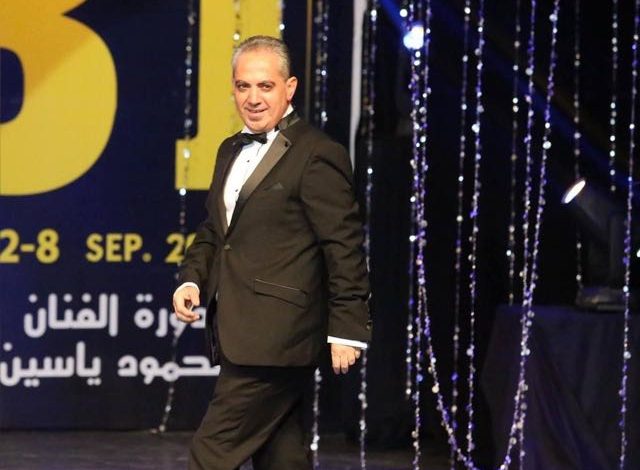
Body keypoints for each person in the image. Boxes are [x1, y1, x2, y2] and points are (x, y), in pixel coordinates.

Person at [172, 35, 371, 470]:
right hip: (241, 329)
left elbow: (344, 245)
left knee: (211, 454)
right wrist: (191, 279)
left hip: (279, 337)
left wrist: (347, 327)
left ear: (289, 87)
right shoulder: (229, 149)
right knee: (282, 455)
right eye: (243, 86)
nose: (253, 98)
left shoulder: (318, 154)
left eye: (265, 86)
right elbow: (216, 231)